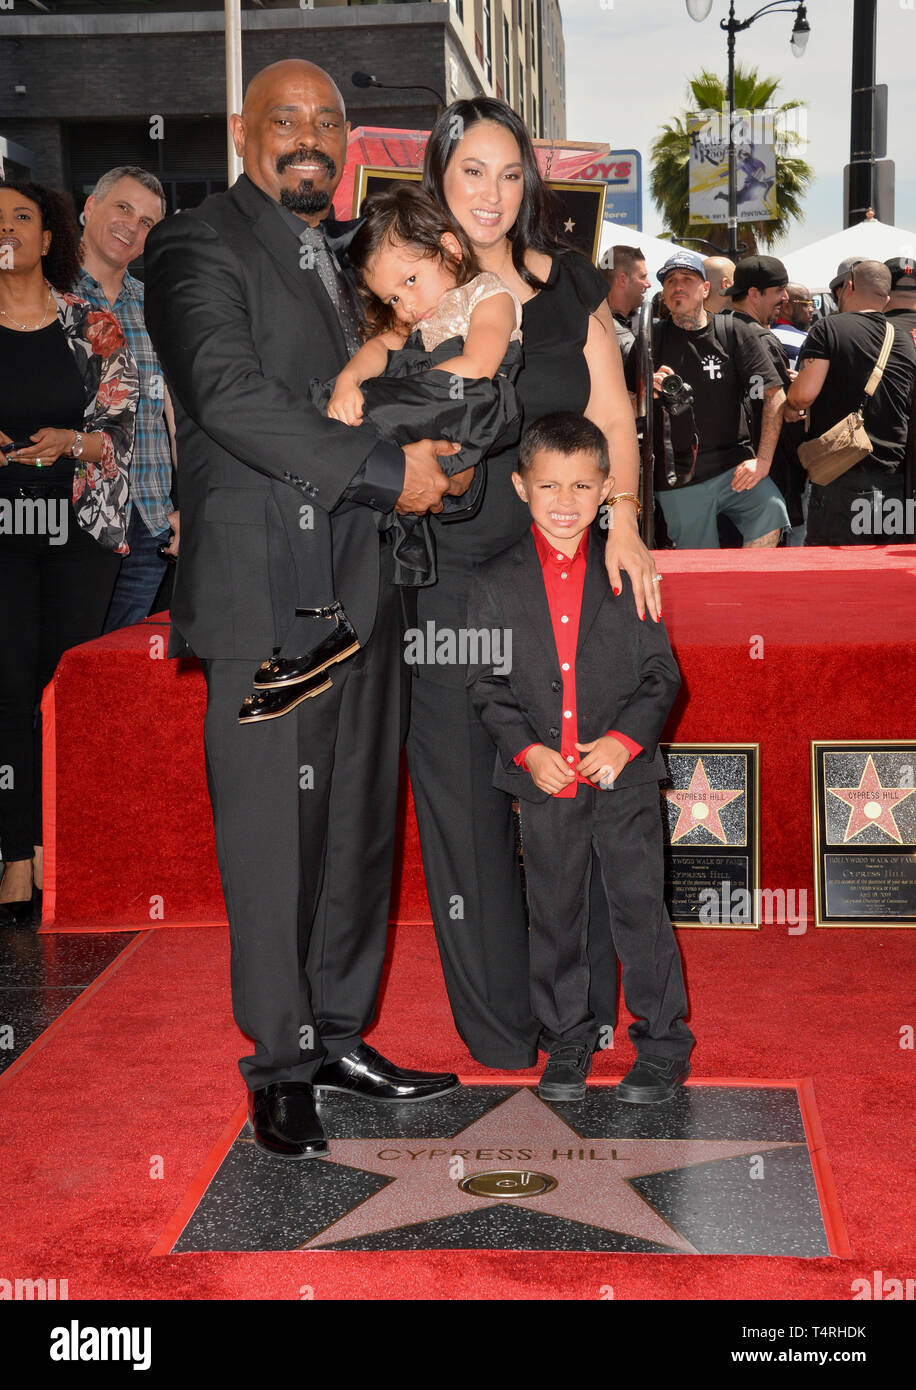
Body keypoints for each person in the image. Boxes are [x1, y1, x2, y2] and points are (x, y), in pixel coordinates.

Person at [142, 59, 462, 1161]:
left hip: (361, 587)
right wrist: (386, 469)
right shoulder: (194, 246)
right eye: (286, 119)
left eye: (328, 120)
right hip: (264, 599)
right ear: (242, 131)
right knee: (275, 839)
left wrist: (436, 447)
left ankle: (338, 1035)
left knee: (355, 832)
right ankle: (278, 1065)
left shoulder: (341, 257)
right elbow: (229, 399)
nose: (310, 137)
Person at [406, 96, 657, 1072]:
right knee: (466, 806)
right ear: (439, 177)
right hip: (446, 581)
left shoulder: (567, 290)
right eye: (472, 170)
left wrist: (626, 519)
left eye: (510, 173)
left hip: (563, 581)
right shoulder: (411, 290)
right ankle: (503, 1025)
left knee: (569, 799)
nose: (492, 193)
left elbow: (610, 415)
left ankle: (580, 1011)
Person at [468, 413, 692, 1103]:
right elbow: (484, 683)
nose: (565, 503)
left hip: (623, 783)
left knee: (638, 910)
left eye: (582, 486)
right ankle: (567, 1037)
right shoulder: (492, 581)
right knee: (556, 916)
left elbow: (664, 677)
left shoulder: (627, 568)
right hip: (546, 786)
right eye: (548, 487)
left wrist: (624, 741)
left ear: (606, 491)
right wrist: (529, 752)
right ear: (519, 485)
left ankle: (661, 1043)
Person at [240, 183, 524, 718]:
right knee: (315, 436)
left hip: (468, 399)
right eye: (394, 296)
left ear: (451, 248)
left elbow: (481, 364)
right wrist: (352, 382)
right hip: (427, 403)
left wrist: (386, 397)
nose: (408, 304)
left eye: (411, 281)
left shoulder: (485, 293)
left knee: (312, 439)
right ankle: (319, 608)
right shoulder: (413, 320)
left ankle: (323, 611)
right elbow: (378, 346)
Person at [0, 180, 138, 925]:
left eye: (21, 217)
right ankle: (11, 860)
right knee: (6, 688)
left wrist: (71, 442)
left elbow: (119, 430)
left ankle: (62, 857)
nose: (8, 229)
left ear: (49, 237)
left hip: (76, 532)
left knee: (62, 691)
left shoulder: (93, 323)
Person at [77, 166, 179, 630]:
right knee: (60, 661)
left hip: (151, 518)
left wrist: (186, 508)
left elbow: (178, 415)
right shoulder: (43, 298)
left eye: (147, 222)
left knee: (117, 670)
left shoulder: (158, 305)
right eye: (123, 207)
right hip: (75, 519)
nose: (132, 226)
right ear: (90, 207)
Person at [643, 249, 789, 549]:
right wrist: (648, 389)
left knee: (772, 510)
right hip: (679, 476)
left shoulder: (732, 331)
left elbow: (774, 395)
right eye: (670, 281)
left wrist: (762, 462)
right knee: (699, 564)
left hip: (733, 467)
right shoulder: (649, 339)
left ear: (706, 289)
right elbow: (624, 401)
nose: (677, 286)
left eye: (687, 279)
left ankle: (747, 590)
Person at [784, 259, 916, 546]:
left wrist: (789, 404)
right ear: (887, 298)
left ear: (850, 286)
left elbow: (803, 395)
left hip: (839, 474)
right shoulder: (905, 340)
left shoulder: (828, 328)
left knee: (832, 576)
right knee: (879, 575)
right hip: (893, 478)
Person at [722, 255, 806, 544]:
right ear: (754, 294)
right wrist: (793, 403)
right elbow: (774, 405)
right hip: (761, 474)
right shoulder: (761, 338)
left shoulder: (715, 328)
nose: (785, 298)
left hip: (723, 473)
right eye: (778, 290)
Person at [601, 244, 650, 362]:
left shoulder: (635, 323)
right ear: (623, 280)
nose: (648, 284)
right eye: (643, 277)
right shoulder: (602, 330)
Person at [772, 282, 814, 368]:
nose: (811, 309)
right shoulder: (806, 341)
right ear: (787, 307)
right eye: (806, 304)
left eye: (812, 304)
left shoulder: (761, 334)